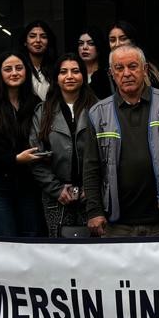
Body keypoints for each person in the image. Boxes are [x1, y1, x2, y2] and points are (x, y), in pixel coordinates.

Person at [82, 45, 159, 237]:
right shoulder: (98, 113)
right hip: (117, 223)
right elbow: (91, 167)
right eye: (119, 68)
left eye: (132, 66)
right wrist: (94, 211)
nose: (127, 73)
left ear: (144, 69)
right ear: (111, 74)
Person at [0, 50, 46, 236]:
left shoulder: (34, 102)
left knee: (31, 238)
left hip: (27, 184)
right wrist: (14, 159)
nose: (14, 73)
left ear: (26, 71)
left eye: (19, 68)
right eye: (8, 69)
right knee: (5, 239)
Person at [31, 53, 96, 236]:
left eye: (75, 71)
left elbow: (108, 155)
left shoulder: (98, 108)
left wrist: (92, 188)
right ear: (56, 78)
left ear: (83, 76)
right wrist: (57, 189)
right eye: (63, 72)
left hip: (91, 194)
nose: (69, 76)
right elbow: (35, 156)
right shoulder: (43, 111)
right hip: (55, 195)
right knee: (59, 246)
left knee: (93, 247)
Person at [108, 19, 159, 85]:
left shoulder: (149, 70)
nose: (117, 44)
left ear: (133, 41)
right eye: (112, 40)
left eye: (123, 39)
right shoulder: (104, 73)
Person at [21, 19, 57, 101]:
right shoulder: (18, 68)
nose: (38, 40)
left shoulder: (56, 67)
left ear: (49, 42)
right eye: (32, 36)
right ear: (25, 41)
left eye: (43, 37)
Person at [75, 29, 111, 100]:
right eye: (81, 44)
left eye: (91, 43)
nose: (84, 47)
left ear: (99, 46)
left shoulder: (108, 74)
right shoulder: (73, 74)